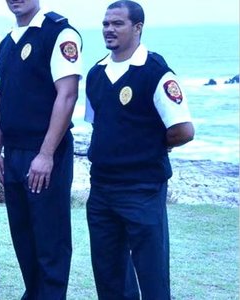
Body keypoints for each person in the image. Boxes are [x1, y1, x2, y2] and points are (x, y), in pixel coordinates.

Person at [85, 1, 194, 299]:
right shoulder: (96, 74)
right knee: (109, 273)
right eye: (106, 23)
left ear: (137, 28)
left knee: (151, 272)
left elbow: (183, 130)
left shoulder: (156, 71)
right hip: (102, 189)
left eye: (117, 23)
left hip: (142, 188)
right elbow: (101, 126)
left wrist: (148, 146)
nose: (109, 29)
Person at [0, 0, 82, 298]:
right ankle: (34, 293)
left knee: (50, 238)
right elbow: (4, 98)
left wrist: (45, 155)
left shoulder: (59, 33)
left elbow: (67, 96)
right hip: (14, 153)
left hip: (45, 152)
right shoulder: (6, 43)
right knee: (23, 235)